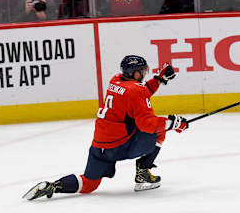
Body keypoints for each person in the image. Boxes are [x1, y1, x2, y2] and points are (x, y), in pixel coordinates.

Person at [22, 55, 188, 199]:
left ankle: (53, 186)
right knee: (159, 131)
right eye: (142, 71)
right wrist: (173, 123)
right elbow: (147, 124)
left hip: (99, 146)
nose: (144, 74)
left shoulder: (115, 80)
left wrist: (158, 80)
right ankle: (142, 175)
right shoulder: (136, 91)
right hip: (119, 146)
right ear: (134, 73)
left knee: (89, 184)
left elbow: (137, 94)